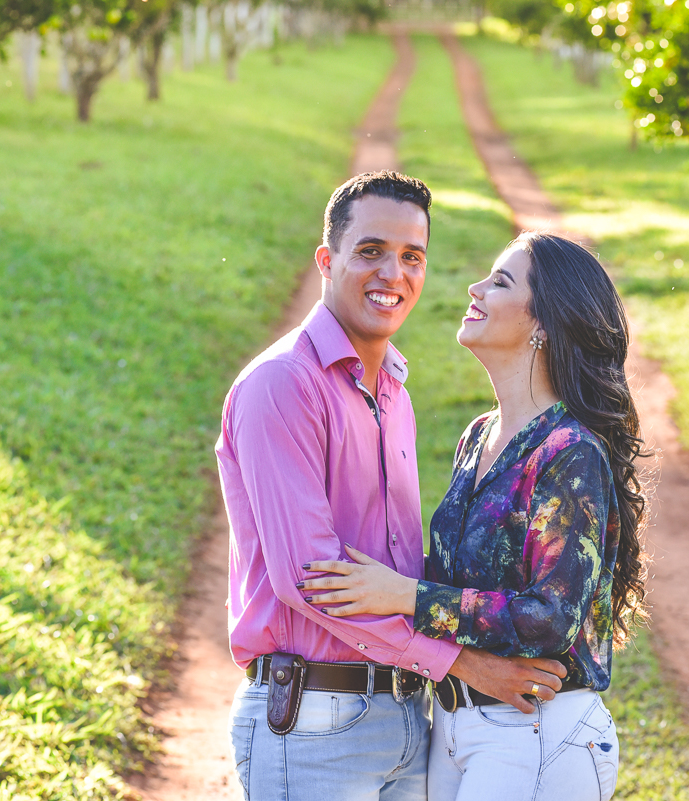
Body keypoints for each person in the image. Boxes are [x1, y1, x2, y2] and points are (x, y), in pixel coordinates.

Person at [216, 172, 568, 801]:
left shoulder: (394, 393)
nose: (393, 274)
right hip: (315, 723)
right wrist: (465, 663)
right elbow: (308, 579)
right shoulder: (282, 385)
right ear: (327, 260)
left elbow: (400, 570)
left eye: (412, 257)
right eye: (370, 251)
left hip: (407, 719)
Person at [299, 231, 651, 801]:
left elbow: (551, 617)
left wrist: (406, 596)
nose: (475, 287)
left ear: (544, 325)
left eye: (501, 281)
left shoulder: (569, 452)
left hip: (539, 731)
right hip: (458, 728)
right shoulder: (479, 436)